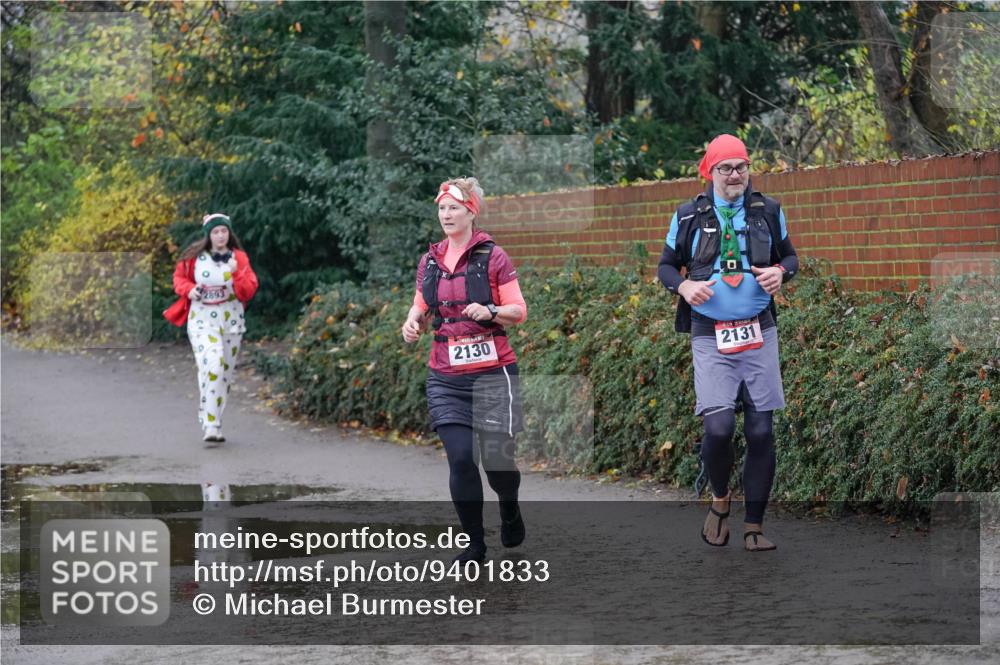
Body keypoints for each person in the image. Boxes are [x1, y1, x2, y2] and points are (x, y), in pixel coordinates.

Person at [657, 135, 798, 552]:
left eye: (741, 167)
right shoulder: (687, 216)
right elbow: (665, 266)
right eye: (725, 168)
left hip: (758, 329)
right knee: (718, 429)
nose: (734, 175)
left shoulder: (768, 211)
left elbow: (790, 257)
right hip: (710, 332)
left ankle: (754, 526)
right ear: (710, 172)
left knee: (760, 430)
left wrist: (782, 274)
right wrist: (683, 286)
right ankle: (720, 501)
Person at [401, 177, 528, 564]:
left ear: (471, 211)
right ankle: (475, 543)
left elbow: (518, 312)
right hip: (446, 376)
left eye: (453, 207)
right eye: (442, 208)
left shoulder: (494, 257)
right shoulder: (431, 260)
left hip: (493, 374)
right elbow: (421, 304)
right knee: (460, 458)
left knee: (497, 462)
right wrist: (412, 323)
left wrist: (491, 311)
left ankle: (509, 505)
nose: (446, 215)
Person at [163, 213, 259, 445]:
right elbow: (178, 279)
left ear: (229, 233)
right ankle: (211, 424)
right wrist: (189, 289)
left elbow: (249, 291)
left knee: (223, 374)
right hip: (202, 320)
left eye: (223, 231)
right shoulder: (194, 258)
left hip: (231, 321)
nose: (220, 236)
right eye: (215, 232)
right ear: (209, 235)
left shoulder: (239, 258)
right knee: (213, 365)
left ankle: (211, 417)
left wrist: (236, 272)